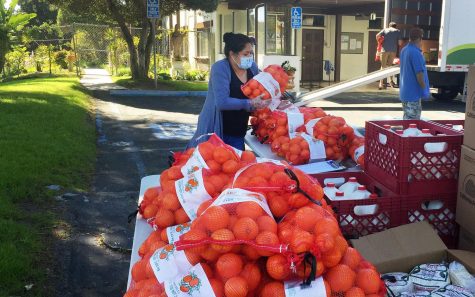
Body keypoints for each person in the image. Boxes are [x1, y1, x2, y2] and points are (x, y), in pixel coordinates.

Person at [187, 33, 270, 150]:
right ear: (232, 54)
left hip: (239, 130)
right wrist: (250, 103)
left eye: (251, 53)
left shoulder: (252, 68)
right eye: (246, 54)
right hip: (217, 128)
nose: (250, 56)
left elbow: (262, 88)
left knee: (236, 163)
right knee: (214, 163)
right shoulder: (220, 68)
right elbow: (222, 102)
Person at [399, 27, 430, 120]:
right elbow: (419, 74)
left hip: (405, 93)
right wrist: (425, 89)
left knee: (406, 120)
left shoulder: (404, 50)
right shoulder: (416, 53)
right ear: (420, 39)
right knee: (412, 124)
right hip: (414, 94)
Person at [376, 22, 402, 89]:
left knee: (383, 66)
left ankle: (381, 83)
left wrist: (379, 41)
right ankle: (391, 82)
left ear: (389, 26)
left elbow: (377, 36)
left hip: (384, 50)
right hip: (393, 51)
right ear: (395, 26)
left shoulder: (385, 30)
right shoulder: (398, 31)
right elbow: (400, 43)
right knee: (390, 66)